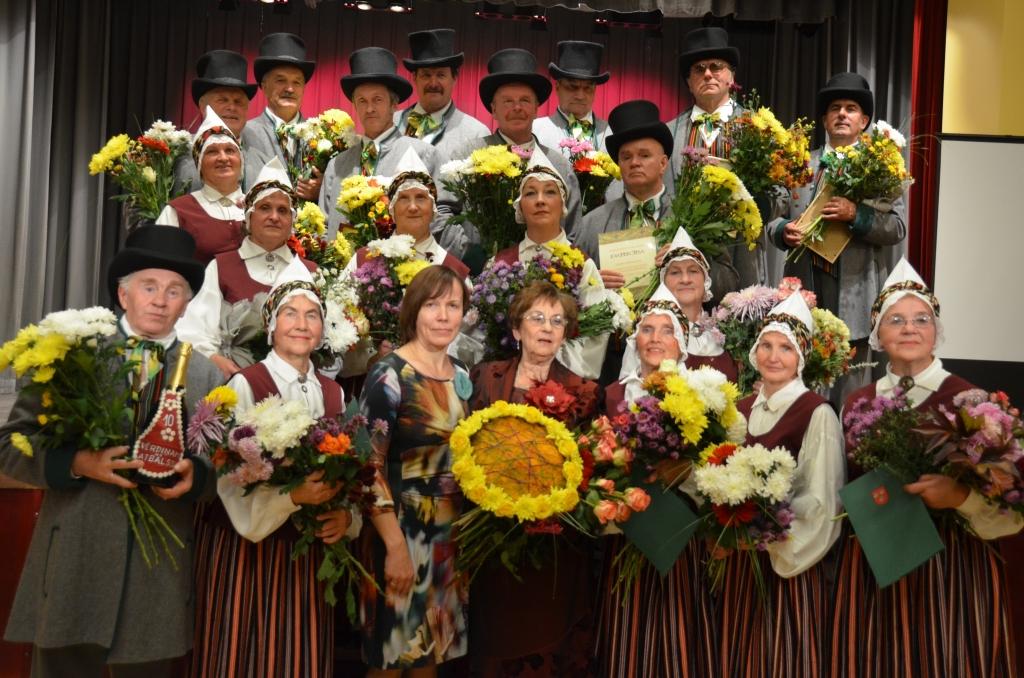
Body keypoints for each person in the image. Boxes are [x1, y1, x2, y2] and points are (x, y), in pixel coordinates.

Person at [0, 225, 222, 677]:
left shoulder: (207, 378)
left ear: (186, 304)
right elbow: (9, 447)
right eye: (149, 286)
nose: (160, 299)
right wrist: (79, 463)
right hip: (72, 568)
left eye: (174, 290)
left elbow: (224, 468)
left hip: (156, 580)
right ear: (124, 295)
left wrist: (195, 477)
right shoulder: (69, 355)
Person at [830, 258, 1021, 677]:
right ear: (878, 333)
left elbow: (1010, 511)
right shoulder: (856, 402)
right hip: (871, 566)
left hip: (949, 570)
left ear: (937, 331)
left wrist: (961, 497)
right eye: (896, 319)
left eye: (922, 319)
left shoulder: (970, 400)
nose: (910, 328)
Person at [191, 279, 359, 678]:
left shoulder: (335, 394)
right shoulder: (244, 385)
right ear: (271, 328)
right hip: (245, 554)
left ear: (322, 330)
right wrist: (292, 497)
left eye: (312, 315)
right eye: (290, 313)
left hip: (306, 558)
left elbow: (356, 474)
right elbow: (227, 475)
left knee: (297, 658)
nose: (302, 323)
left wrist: (347, 519)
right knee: (239, 655)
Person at [467, 279, 601, 676]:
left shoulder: (584, 392)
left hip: (554, 547)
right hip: (491, 539)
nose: (546, 328)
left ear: (565, 333)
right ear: (516, 329)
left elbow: (588, 467)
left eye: (557, 321)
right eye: (537, 318)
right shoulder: (484, 377)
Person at [715, 291, 844, 677]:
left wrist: (766, 538)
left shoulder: (816, 413)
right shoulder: (738, 410)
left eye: (785, 348)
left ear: (800, 358)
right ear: (754, 352)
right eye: (766, 345)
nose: (773, 356)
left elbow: (822, 500)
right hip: (739, 566)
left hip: (788, 567)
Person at [598, 284, 716, 678]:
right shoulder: (614, 394)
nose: (655, 339)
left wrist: (683, 471)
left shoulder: (702, 395)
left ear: (681, 343)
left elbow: (714, 462)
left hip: (678, 532)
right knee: (630, 630)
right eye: (647, 329)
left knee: (676, 630)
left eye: (667, 331)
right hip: (628, 529)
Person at [767, 72, 907, 404]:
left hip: (855, 295)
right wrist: (782, 231)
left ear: (865, 121)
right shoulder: (799, 163)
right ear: (824, 118)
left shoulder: (883, 167)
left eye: (851, 108)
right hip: (804, 291)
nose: (842, 114)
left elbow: (897, 228)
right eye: (835, 107)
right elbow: (772, 219)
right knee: (800, 397)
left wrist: (855, 214)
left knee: (853, 400)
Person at [358, 265, 472, 675]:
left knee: (431, 659)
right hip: (401, 535)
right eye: (432, 305)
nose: (443, 315)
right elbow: (368, 467)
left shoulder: (461, 374)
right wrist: (394, 548)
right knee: (391, 659)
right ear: (414, 312)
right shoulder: (388, 375)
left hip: (448, 538)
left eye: (453, 305)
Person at [576, 99, 739, 300]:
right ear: (619, 165)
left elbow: (729, 283)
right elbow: (568, 289)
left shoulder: (695, 218)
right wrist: (590, 283)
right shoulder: (591, 224)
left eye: (644, 155)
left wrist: (693, 262)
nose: (634, 162)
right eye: (626, 157)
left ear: (663, 163)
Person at [177, 157, 316, 378]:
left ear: (292, 221)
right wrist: (215, 360)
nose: (274, 217)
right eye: (265, 208)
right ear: (249, 216)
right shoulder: (221, 267)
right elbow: (194, 329)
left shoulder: (311, 272)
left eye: (283, 210)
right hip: (233, 384)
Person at [440, 48, 583, 256]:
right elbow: (442, 212)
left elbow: (573, 228)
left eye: (525, 100)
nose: (517, 107)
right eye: (507, 101)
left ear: (536, 108)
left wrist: (555, 262)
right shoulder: (467, 156)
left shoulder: (558, 164)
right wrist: (469, 254)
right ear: (493, 109)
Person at [665, 27, 775, 287]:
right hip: (682, 256)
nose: (707, 74)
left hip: (742, 256)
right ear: (688, 82)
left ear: (730, 76)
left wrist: (748, 201)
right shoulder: (668, 133)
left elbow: (779, 196)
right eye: (698, 68)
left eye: (716, 66)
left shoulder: (759, 128)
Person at [490, 150, 608, 380]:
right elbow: (480, 333)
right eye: (531, 193)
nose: (540, 200)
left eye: (550, 192)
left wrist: (547, 364)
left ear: (563, 204)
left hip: (564, 383)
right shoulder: (499, 264)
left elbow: (595, 336)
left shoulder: (583, 265)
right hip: (507, 381)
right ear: (520, 206)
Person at [319, 47, 443, 239]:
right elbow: (324, 226)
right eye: (362, 101)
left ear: (394, 104)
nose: (369, 109)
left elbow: (437, 221)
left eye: (377, 100)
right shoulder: (337, 165)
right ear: (354, 105)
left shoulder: (423, 155)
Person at [241, 33, 322, 202]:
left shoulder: (323, 136)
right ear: (264, 86)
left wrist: (321, 191)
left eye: (297, 82)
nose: (290, 89)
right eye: (280, 80)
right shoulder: (244, 133)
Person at [158, 107, 245, 264]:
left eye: (230, 150)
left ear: (241, 161)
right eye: (212, 152)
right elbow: (161, 267)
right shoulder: (178, 212)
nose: (223, 158)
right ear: (199, 164)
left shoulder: (261, 207)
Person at [172, 49, 264, 195]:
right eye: (222, 100)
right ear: (202, 105)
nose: (232, 107)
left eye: (238, 101)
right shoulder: (174, 155)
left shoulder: (264, 163)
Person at [395, 28, 489, 160]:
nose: (433, 83)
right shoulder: (391, 124)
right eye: (426, 75)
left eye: (441, 75)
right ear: (414, 78)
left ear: (454, 78)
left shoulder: (476, 133)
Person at [660, 227, 739, 381]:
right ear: (664, 282)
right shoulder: (650, 332)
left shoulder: (728, 331)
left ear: (706, 281)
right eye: (675, 272)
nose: (685, 279)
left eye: (693, 271)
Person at [533, 40, 611, 154]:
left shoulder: (610, 132)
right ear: (558, 87)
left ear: (595, 90)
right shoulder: (535, 130)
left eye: (588, 88)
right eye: (572, 87)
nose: (580, 96)